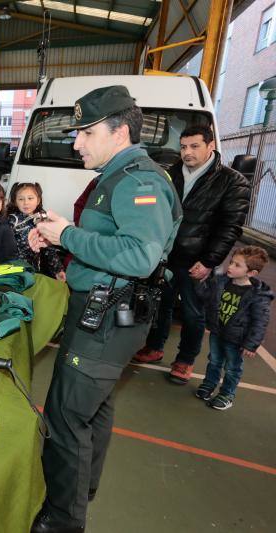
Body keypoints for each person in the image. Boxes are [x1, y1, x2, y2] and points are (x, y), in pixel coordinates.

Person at [28, 85, 182, 533]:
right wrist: (61, 232)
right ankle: (82, 488)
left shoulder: (139, 181)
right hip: (106, 311)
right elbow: (113, 238)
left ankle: (62, 519)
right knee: (93, 408)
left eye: (85, 132)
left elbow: (139, 256)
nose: (76, 143)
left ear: (118, 131)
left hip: (109, 317)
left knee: (67, 414)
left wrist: (68, 238)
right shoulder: (118, 176)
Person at [132, 124, 252, 384]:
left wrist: (209, 261)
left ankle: (184, 361)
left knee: (192, 313)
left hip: (197, 261)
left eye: (195, 146)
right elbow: (152, 210)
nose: (187, 152)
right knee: (159, 305)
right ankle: (154, 347)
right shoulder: (168, 174)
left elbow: (230, 227)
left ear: (211, 146)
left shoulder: (232, 181)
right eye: (183, 146)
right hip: (164, 255)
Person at [194, 246, 272, 410]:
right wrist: (200, 282)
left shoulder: (258, 296)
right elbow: (206, 297)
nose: (230, 267)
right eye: (231, 262)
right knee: (214, 361)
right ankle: (208, 385)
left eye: (237, 265)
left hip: (237, 339)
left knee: (232, 368)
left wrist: (251, 344)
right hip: (217, 332)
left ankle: (226, 395)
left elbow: (260, 321)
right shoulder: (221, 282)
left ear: (251, 273)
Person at [8, 182, 66, 281]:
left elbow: (49, 250)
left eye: (30, 198)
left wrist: (58, 270)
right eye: (21, 199)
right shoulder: (11, 220)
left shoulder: (43, 221)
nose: (26, 202)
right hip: (12, 269)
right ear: (15, 201)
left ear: (38, 200)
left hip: (33, 270)